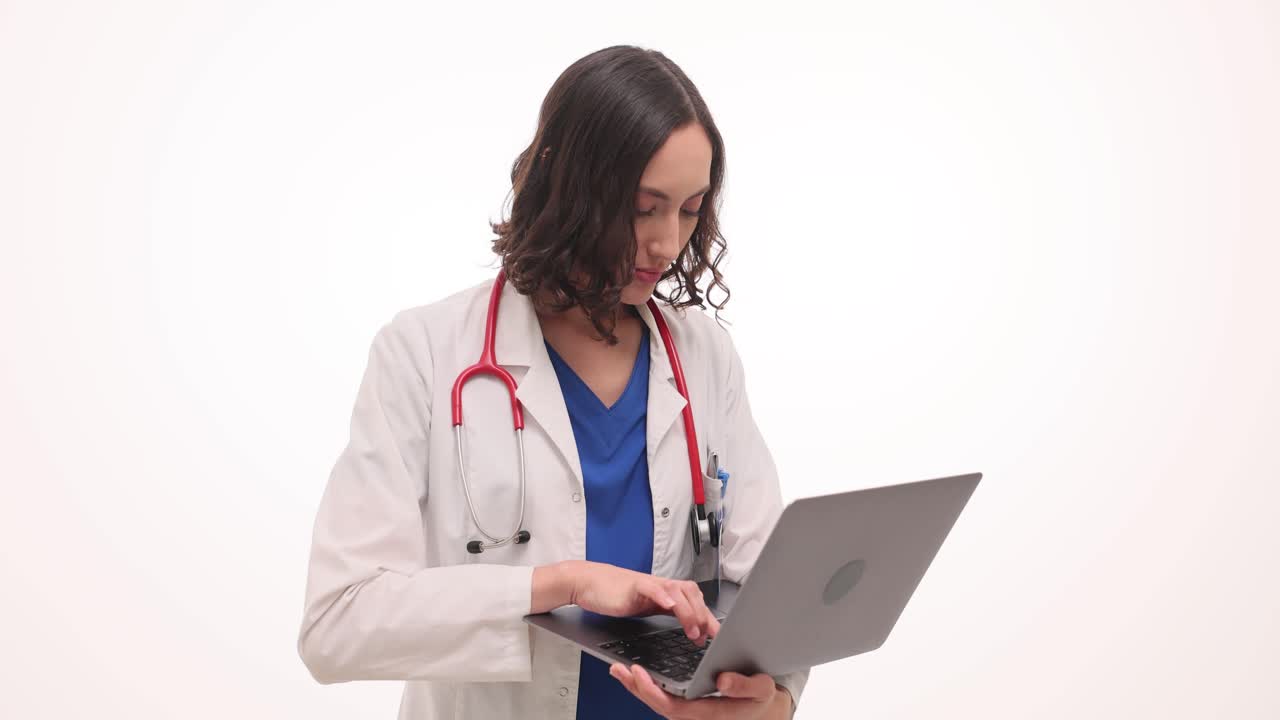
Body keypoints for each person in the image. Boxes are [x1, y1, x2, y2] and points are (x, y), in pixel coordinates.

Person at [297, 44, 810, 720]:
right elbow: (337, 625)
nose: (666, 243)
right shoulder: (423, 353)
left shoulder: (703, 355)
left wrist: (771, 704)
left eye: (688, 210)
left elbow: (768, 595)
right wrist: (561, 584)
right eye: (642, 207)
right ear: (568, 189)